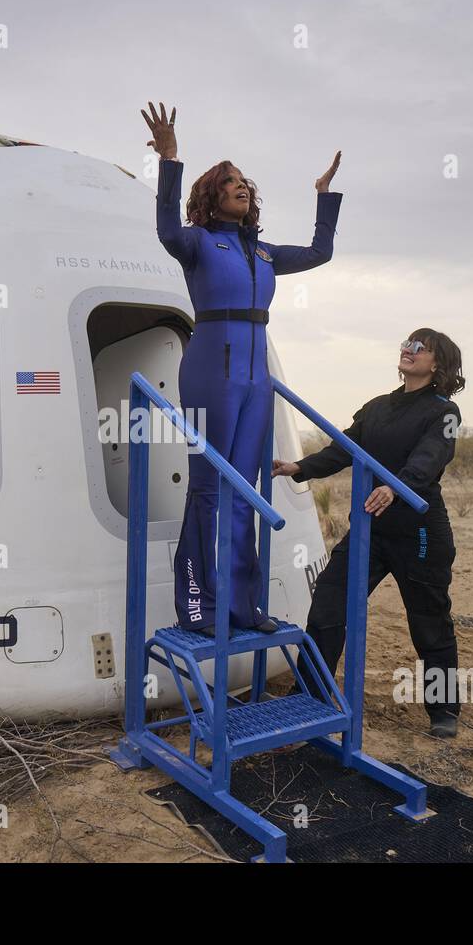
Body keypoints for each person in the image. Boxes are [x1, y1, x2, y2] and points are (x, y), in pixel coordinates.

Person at [142, 100, 343, 636]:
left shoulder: (267, 253)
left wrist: (324, 197)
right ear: (212, 195)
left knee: (249, 491)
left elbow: (321, 251)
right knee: (210, 487)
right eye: (230, 182)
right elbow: (164, 227)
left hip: (258, 379)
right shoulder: (197, 242)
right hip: (212, 367)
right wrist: (170, 160)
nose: (241, 187)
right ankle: (200, 606)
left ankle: (242, 607)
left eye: (244, 182)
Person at [272, 328, 465, 738]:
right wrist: (299, 467)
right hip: (370, 527)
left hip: (420, 533)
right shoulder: (378, 408)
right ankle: (311, 694)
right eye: (407, 343)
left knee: (429, 622)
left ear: (438, 364)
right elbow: (344, 449)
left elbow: (429, 459)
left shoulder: (443, 412)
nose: (409, 350)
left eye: (421, 347)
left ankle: (444, 711)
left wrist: (396, 485)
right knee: (328, 601)